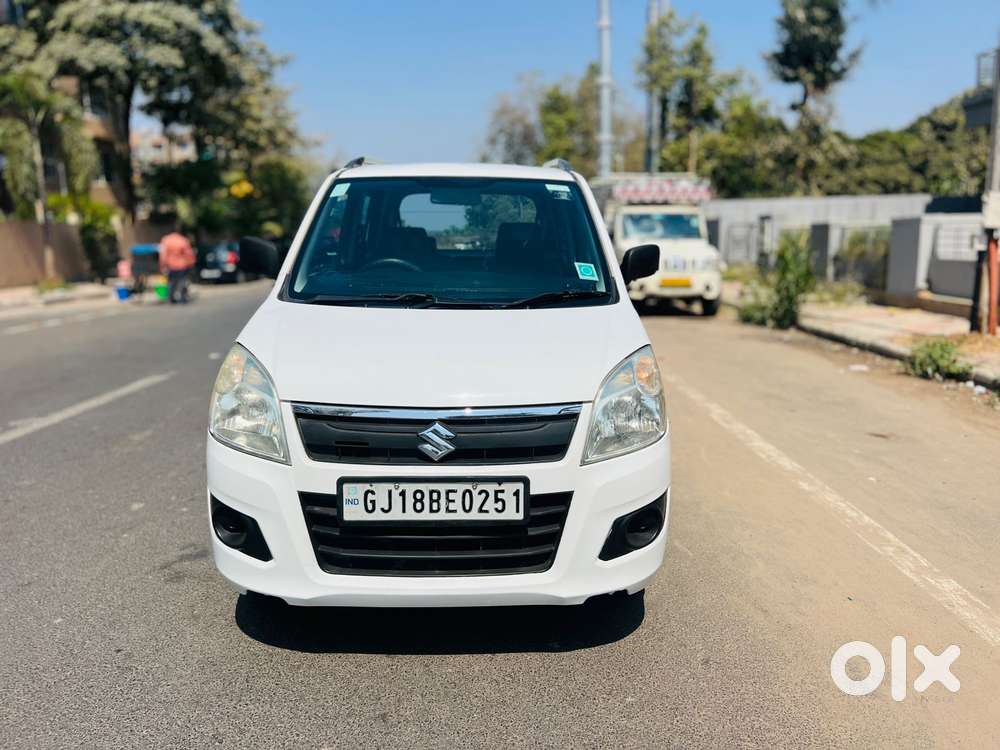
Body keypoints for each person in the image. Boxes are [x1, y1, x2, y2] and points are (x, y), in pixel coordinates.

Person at [159, 230, 196, 304]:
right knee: (182, 281)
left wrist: (162, 265)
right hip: (182, 265)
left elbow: (163, 254)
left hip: (170, 265)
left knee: (171, 282)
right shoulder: (182, 240)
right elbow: (188, 253)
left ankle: (170, 298)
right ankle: (183, 297)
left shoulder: (166, 240)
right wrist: (191, 262)